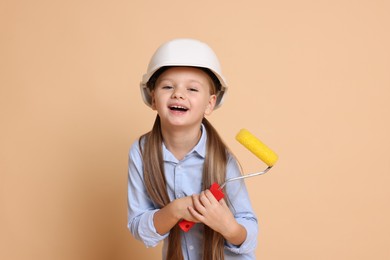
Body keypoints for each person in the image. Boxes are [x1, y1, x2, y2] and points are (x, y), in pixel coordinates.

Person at [127, 38, 258, 260]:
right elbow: (140, 228)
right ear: (152, 99)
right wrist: (176, 210)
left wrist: (228, 227)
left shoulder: (222, 160)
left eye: (192, 88)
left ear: (210, 104)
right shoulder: (141, 152)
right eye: (168, 86)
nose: (178, 94)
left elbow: (249, 233)